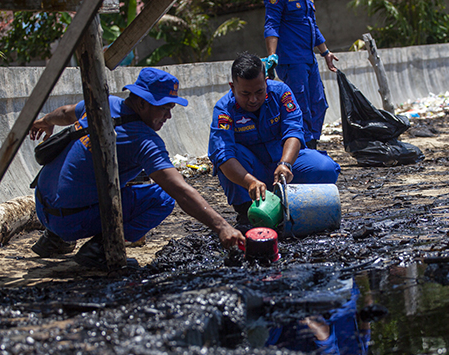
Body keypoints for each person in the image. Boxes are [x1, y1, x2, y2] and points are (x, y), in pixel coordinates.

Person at [29, 67, 245, 270]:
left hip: (42, 206)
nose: (168, 117)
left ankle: (54, 240)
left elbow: (66, 112)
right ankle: (100, 249)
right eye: (164, 108)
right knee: (163, 198)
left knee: (125, 173)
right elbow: (180, 191)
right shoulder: (144, 141)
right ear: (142, 103)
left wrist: (45, 121)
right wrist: (222, 227)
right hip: (69, 221)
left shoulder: (103, 104)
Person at [207, 52, 340, 229]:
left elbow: (293, 130)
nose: (253, 100)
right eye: (245, 93)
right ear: (232, 87)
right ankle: (248, 213)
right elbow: (223, 156)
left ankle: (297, 204)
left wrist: (286, 164)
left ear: (266, 82)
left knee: (326, 168)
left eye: (259, 92)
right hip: (252, 174)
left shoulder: (281, 93)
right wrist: (250, 182)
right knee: (230, 157)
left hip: (284, 168)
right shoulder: (224, 110)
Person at [264, 0, 338, 149]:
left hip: (309, 58)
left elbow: (312, 26)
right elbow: (271, 24)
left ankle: (312, 143)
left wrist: (325, 53)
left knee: (319, 103)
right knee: (300, 104)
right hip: (292, 59)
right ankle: (303, 146)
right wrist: (272, 55)